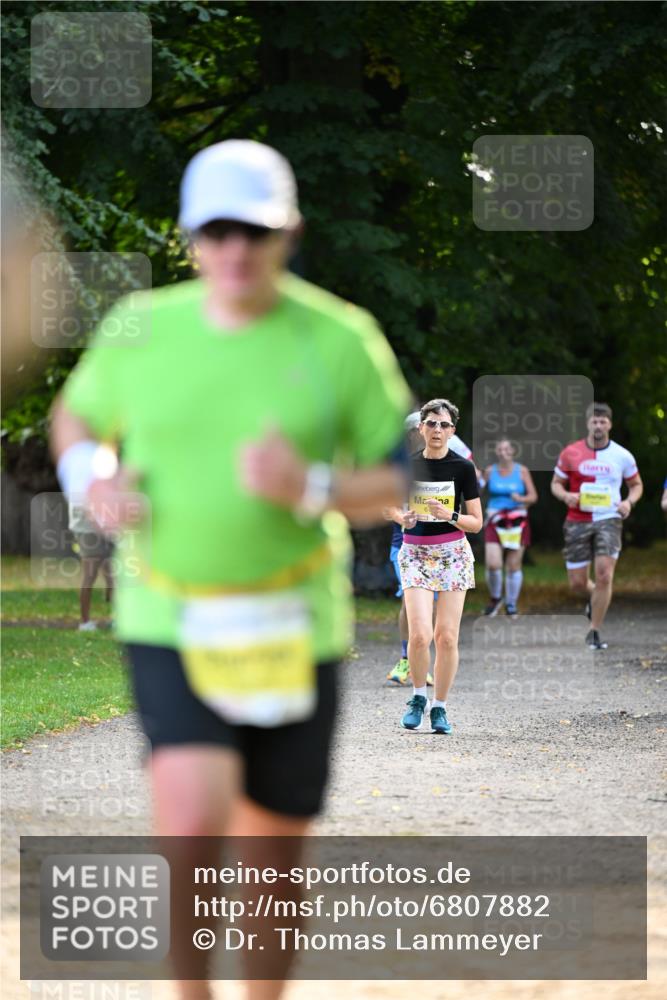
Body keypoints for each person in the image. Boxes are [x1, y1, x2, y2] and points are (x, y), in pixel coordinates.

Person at [50, 139, 410, 999]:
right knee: (191, 819)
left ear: (289, 232)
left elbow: (400, 479)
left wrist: (310, 485)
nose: (236, 251)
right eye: (216, 232)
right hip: (168, 613)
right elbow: (74, 419)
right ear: (188, 238)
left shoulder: (339, 337)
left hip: (293, 622)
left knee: (272, 853)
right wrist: (91, 480)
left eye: (254, 231)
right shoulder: (142, 330)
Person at [385, 398, 482, 734]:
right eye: (431, 423)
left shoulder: (463, 468)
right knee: (420, 635)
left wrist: (451, 516)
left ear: (452, 431)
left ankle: (439, 708)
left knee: (446, 638)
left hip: (453, 555)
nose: (437, 430)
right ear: (421, 428)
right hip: (415, 554)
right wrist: (402, 518)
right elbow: (390, 507)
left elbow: (477, 523)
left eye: (444, 425)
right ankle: (417, 697)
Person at [551, 402, 643, 650]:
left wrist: (628, 503)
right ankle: (595, 598)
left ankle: (594, 630)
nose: (599, 425)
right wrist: (565, 496)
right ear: (587, 423)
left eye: (603, 421)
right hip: (577, 519)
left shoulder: (622, 455)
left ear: (610, 424)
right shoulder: (571, 452)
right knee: (578, 583)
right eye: (594, 421)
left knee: (604, 575)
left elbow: (636, 485)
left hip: (609, 518)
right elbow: (556, 483)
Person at [482, 437, 537, 617]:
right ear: (496, 452)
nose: (503, 453)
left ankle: (511, 603)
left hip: (517, 520)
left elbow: (533, 496)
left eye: (507, 449)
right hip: (494, 518)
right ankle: (496, 598)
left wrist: (521, 499)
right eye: (500, 450)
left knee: (513, 565)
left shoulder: (522, 471)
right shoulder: (490, 471)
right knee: (493, 563)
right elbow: (476, 489)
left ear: (513, 451)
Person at [68, 496, 114, 631]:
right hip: (89, 531)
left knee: (113, 576)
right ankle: (85, 622)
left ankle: (117, 619)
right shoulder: (84, 480)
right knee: (90, 576)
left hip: (103, 530)